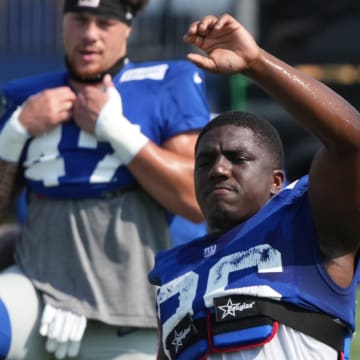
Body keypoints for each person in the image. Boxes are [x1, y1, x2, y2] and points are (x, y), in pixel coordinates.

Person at [0, 0, 210, 359]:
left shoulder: (166, 83)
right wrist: (14, 134)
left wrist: (118, 132)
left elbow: (195, 200)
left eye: (104, 23)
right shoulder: (25, 98)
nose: (89, 35)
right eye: (79, 20)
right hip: (37, 285)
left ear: (128, 28)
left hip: (130, 308)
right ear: (62, 22)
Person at [149, 13, 360, 360]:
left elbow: (351, 143)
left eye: (237, 158)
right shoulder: (172, 271)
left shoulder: (308, 222)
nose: (218, 169)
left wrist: (257, 63)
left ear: (277, 181)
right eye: (205, 161)